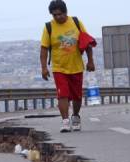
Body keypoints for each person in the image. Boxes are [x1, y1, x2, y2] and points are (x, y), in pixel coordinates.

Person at [40, 0, 95, 132]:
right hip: (59, 68)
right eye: (55, 15)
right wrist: (43, 67)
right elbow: (44, 49)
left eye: (60, 14)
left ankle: (75, 116)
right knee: (62, 94)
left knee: (77, 96)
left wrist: (91, 61)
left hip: (76, 66)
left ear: (66, 12)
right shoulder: (49, 27)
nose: (58, 17)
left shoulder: (76, 22)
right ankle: (65, 120)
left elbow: (86, 42)